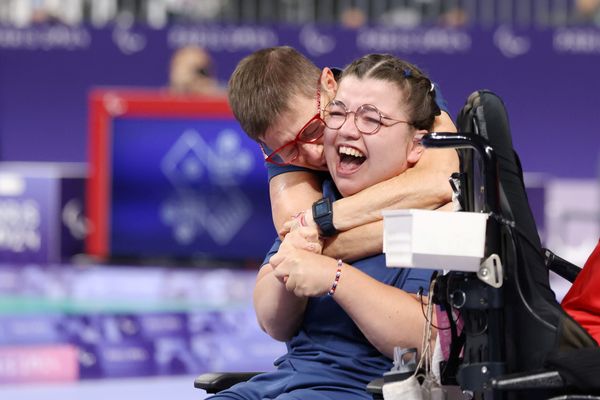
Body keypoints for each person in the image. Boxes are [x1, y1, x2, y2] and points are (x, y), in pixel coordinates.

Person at [207, 54, 440, 400]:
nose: (347, 129)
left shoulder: (436, 215)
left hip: (361, 389)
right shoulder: (317, 201)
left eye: (370, 119)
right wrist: (296, 252)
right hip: (279, 384)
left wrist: (336, 276)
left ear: (416, 144)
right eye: (339, 115)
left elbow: (428, 340)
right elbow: (273, 322)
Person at [227, 46, 458, 264]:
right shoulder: (280, 149)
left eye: (314, 129)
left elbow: (441, 181)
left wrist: (325, 218)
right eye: (291, 150)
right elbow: (301, 243)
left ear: (329, 84)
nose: (314, 153)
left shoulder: (401, 89)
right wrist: (423, 224)